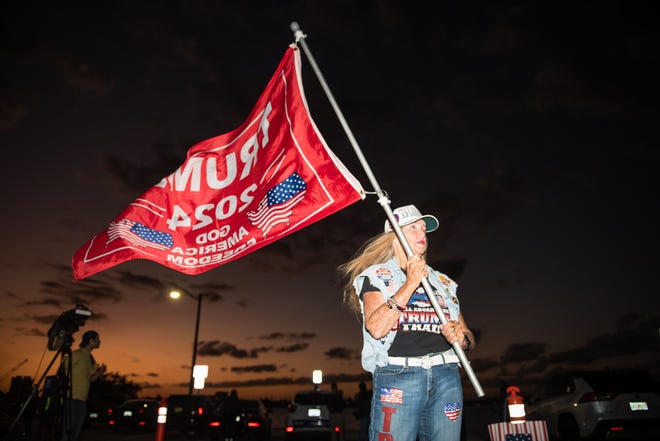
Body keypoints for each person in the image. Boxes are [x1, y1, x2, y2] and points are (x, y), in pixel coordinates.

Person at [338, 205, 475, 441]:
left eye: (423, 228)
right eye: (413, 228)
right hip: (399, 375)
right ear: (394, 236)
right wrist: (410, 283)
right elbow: (376, 327)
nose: (422, 233)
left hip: (446, 375)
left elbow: (468, 336)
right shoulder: (375, 276)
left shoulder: (443, 281)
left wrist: (461, 338)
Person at [60, 330, 106, 441]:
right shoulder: (77, 354)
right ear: (91, 340)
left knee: (75, 432)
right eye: (97, 339)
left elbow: (91, 379)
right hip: (71, 397)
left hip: (82, 400)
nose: (99, 341)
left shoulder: (91, 359)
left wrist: (100, 372)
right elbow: (62, 369)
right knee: (66, 432)